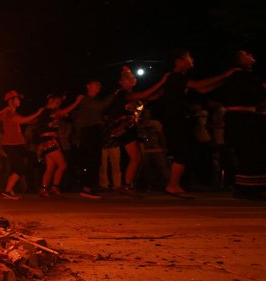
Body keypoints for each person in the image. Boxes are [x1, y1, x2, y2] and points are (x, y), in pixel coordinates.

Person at [157, 51, 236, 198]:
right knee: (182, 151)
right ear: (178, 61)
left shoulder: (180, 78)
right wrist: (224, 75)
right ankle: (172, 185)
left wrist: (224, 80)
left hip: (179, 119)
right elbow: (198, 85)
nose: (192, 60)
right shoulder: (174, 76)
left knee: (186, 150)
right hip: (175, 119)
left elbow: (202, 89)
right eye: (188, 58)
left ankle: (175, 184)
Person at [102, 67, 169, 197]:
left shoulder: (133, 96)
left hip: (130, 128)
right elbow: (144, 95)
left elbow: (152, 96)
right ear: (120, 82)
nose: (132, 78)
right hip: (123, 128)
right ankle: (126, 186)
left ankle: (127, 185)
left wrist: (168, 86)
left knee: (136, 158)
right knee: (135, 157)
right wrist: (162, 81)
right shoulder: (122, 94)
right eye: (127, 77)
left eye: (132, 76)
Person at [220, 50, 266, 196]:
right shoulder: (239, 76)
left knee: (248, 151)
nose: (251, 56)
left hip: (242, 116)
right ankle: (249, 188)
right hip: (243, 117)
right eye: (246, 54)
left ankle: (249, 187)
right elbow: (253, 94)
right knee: (250, 151)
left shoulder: (242, 76)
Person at [34, 93, 84, 198]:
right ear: (50, 100)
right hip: (48, 140)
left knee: (51, 167)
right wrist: (77, 101)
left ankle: (44, 189)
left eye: (59, 103)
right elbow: (64, 111)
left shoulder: (50, 112)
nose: (58, 105)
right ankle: (54, 187)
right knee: (62, 165)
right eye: (57, 102)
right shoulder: (45, 111)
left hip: (50, 140)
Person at [0, 90, 43, 199]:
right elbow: (22, 120)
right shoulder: (8, 113)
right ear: (10, 100)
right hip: (10, 144)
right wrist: (37, 113)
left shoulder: (14, 113)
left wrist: (38, 118)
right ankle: (7, 191)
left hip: (16, 144)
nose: (19, 101)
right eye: (17, 99)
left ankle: (8, 191)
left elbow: (25, 121)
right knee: (20, 168)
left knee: (17, 168)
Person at [71, 80, 112, 199]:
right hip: (89, 131)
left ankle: (88, 187)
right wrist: (114, 95)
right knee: (93, 159)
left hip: (92, 130)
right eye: (94, 84)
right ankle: (86, 188)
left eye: (98, 85)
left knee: (94, 160)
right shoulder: (85, 99)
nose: (97, 86)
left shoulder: (93, 100)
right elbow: (101, 107)